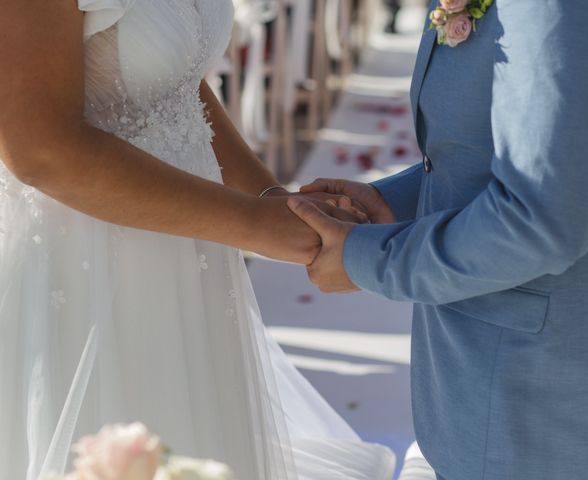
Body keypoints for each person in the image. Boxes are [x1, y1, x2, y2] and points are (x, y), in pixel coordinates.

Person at [0, 1, 395, 479]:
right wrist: (252, 222)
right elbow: (40, 149)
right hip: (84, 265)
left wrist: (276, 201)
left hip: (187, 261)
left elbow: (178, 84)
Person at [290, 1, 588, 479]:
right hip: (486, 386)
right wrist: (393, 203)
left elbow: (539, 218)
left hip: (545, 404)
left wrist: (370, 259)